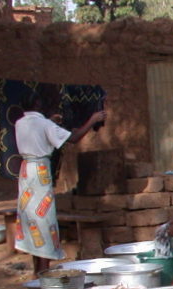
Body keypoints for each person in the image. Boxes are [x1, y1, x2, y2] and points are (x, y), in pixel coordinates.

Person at [14, 95, 106, 274]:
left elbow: (36, 132)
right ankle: (43, 273)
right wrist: (92, 120)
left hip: (26, 172)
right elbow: (74, 138)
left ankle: (37, 271)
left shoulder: (20, 123)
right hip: (40, 173)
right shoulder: (45, 125)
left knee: (32, 219)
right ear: (38, 104)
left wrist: (49, 122)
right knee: (43, 220)